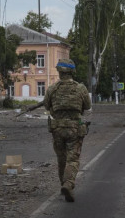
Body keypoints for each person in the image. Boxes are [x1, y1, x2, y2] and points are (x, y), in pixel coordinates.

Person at [43, 58, 91, 202]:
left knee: (61, 159)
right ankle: (68, 184)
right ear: (72, 72)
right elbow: (87, 106)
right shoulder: (80, 88)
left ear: (59, 72)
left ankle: (63, 185)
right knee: (73, 159)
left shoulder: (52, 89)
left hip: (57, 129)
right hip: (75, 129)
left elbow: (46, 106)